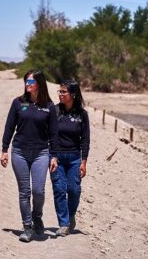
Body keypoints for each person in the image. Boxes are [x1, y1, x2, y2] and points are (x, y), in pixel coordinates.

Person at [0, 70, 58, 242]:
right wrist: (4, 150)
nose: (27, 84)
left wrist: (54, 156)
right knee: (24, 192)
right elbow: (9, 128)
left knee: (38, 191)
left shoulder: (49, 106)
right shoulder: (18, 103)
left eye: (31, 82)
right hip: (19, 152)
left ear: (39, 84)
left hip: (41, 153)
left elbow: (54, 134)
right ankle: (27, 227)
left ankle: (37, 216)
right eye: (26, 81)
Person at [50, 80, 90, 237]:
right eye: (59, 92)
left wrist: (84, 161)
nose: (60, 94)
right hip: (56, 157)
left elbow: (85, 139)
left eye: (63, 92)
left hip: (74, 158)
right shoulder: (54, 111)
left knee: (74, 190)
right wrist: (51, 155)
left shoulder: (82, 115)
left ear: (72, 94)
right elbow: (48, 135)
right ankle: (64, 224)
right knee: (59, 190)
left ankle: (70, 215)